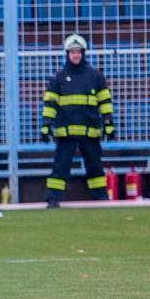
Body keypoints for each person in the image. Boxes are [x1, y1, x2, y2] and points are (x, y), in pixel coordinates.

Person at [40, 34, 114, 208]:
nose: (75, 55)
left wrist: (109, 123)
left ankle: (101, 197)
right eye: (72, 52)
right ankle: (52, 198)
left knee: (95, 166)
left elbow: (105, 102)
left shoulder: (95, 76)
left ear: (83, 53)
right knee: (60, 166)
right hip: (66, 132)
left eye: (78, 52)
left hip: (90, 130)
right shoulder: (58, 77)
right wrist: (46, 125)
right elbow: (50, 103)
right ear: (67, 54)